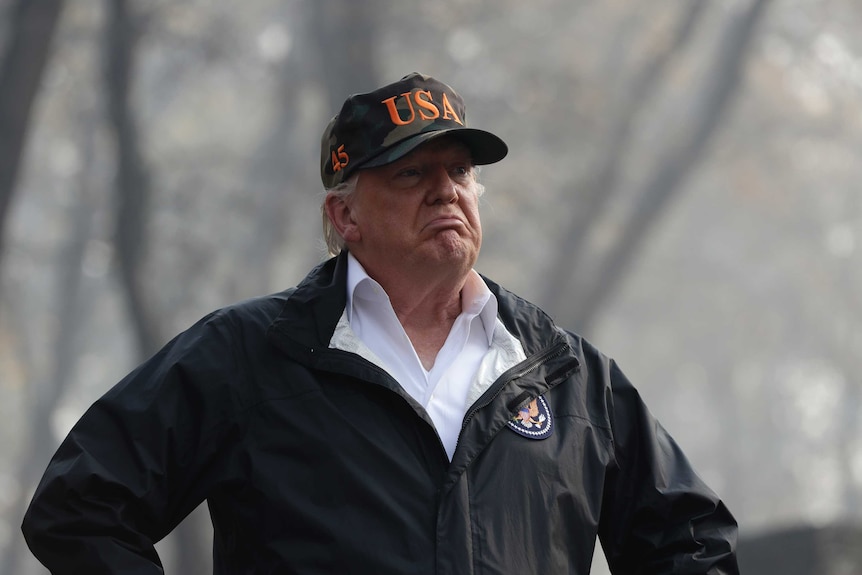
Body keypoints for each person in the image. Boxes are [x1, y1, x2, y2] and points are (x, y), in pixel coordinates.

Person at [22, 72, 739, 574]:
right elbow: (80, 506)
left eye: (459, 172)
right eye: (409, 174)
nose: (445, 192)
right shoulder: (250, 356)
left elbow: (691, 540)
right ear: (344, 216)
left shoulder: (565, 373)